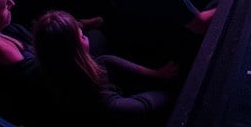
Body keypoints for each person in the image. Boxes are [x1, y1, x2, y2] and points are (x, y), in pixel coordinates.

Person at [33, 8, 178, 126]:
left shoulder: (53, 65)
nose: (86, 38)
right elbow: (140, 107)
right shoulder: (102, 101)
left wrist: (156, 74)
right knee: (169, 96)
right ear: (75, 51)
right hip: (108, 113)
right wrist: (170, 92)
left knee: (98, 40)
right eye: (82, 37)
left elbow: (109, 62)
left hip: (98, 85)